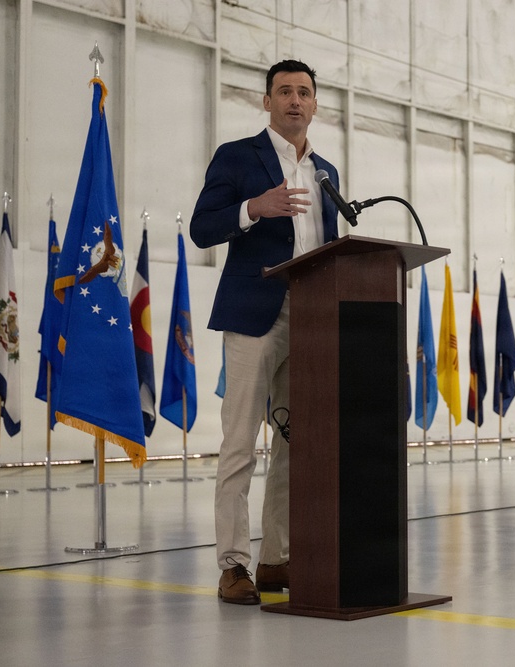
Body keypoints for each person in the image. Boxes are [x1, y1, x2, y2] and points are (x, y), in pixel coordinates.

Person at [190, 59, 342, 604]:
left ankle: (278, 557)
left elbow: (328, 245)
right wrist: (255, 207)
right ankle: (233, 566)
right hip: (256, 315)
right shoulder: (238, 156)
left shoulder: (326, 171)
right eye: (284, 92)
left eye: (304, 92)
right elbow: (202, 228)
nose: (295, 101)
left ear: (316, 104)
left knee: (295, 445)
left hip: (312, 321)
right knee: (238, 446)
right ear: (267, 101)